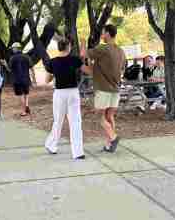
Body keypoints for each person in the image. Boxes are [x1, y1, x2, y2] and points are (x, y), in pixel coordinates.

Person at [85, 23, 125, 152]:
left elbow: (84, 54)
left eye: (103, 32)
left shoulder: (103, 48)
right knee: (109, 116)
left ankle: (113, 137)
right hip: (116, 89)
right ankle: (109, 144)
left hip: (103, 89)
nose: (101, 35)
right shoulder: (121, 51)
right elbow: (120, 69)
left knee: (100, 117)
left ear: (107, 33)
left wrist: (82, 42)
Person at [43, 38, 85, 159]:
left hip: (59, 93)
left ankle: (51, 145)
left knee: (58, 120)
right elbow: (84, 65)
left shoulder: (52, 62)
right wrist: (83, 45)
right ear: (68, 47)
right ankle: (78, 152)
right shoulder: (74, 60)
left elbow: (47, 80)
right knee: (75, 121)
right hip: (73, 92)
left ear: (59, 47)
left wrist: (55, 74)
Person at [9, 42, 32, 116]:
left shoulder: (12, 58)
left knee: (21, 95)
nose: (12, 50)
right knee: (26, 93)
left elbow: (10, 69)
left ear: (16, 48)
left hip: (17, 80)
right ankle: (27, 105)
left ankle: (24, 111)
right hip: (26, 78)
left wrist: (5, 64)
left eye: (13, 48)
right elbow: (31, 67)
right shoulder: (27, 57)